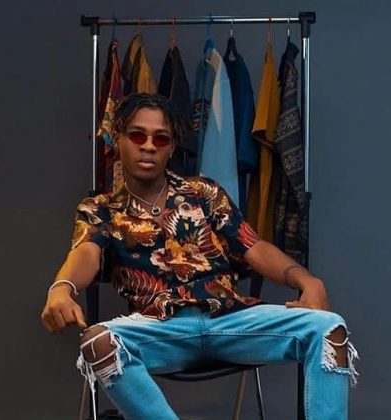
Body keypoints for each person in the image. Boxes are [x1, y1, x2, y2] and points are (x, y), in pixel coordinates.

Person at [40, 93, 358, 420]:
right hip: (161, 330)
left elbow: (254, 247)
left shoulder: (203, 193)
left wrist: (308, 281)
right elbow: (86, 253)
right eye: (137, 135)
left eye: (160, 138)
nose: (148, 146)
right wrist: (61, 288)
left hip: (230, 321)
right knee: (98, 343)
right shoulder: (100, 208)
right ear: (118, 140)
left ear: (171, 147)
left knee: (329, 328)